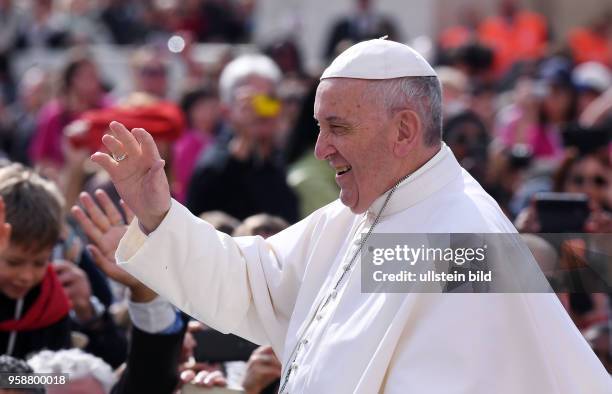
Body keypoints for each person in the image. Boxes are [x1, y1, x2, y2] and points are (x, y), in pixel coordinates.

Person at [93, 39, 612, 393]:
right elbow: (253, 283)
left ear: (404, 130)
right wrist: (159, 214)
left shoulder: (463, 239)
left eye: (337, 127)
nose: (320, 149)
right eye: (319, 127)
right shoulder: (360, 214)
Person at [0, 164, 71, 359]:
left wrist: (13, 384)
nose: (26, 276)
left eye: (40, 263)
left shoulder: (52, 304)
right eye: (14, 262)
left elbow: (57, 379)